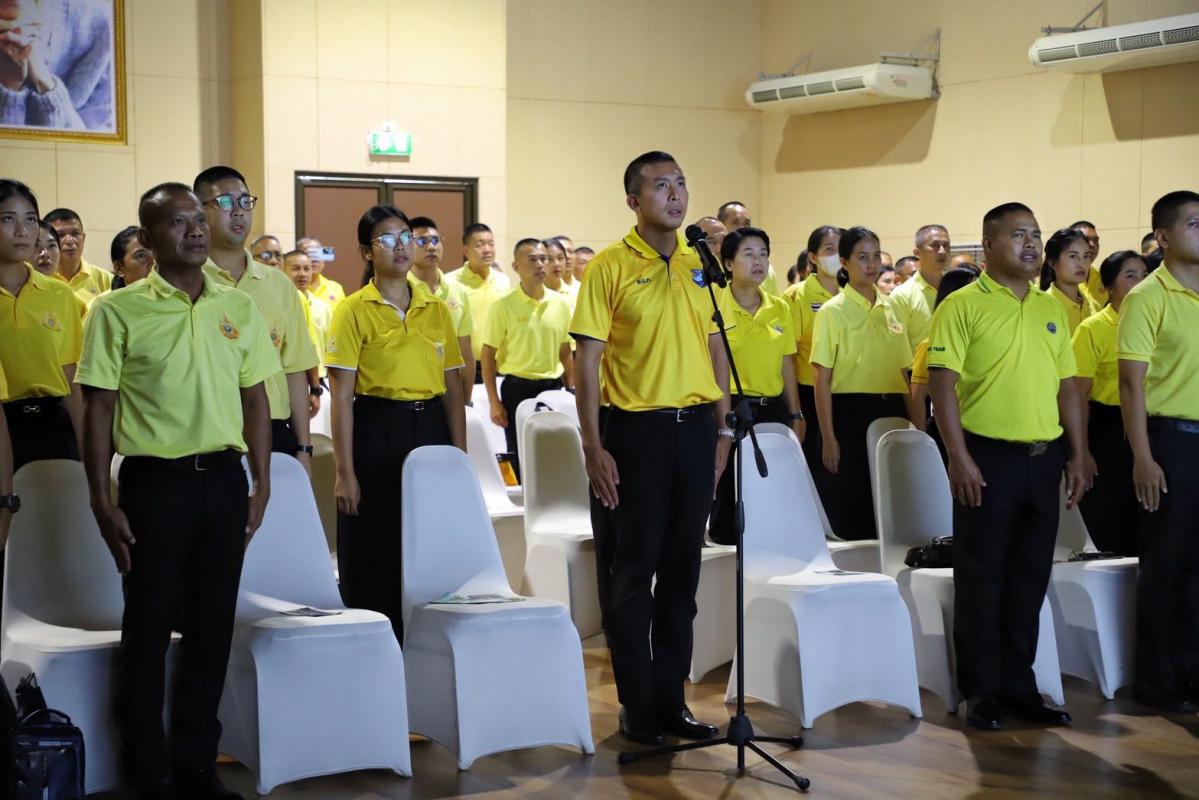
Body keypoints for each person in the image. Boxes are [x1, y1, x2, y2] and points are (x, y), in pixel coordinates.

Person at [78, 181, 276, 799]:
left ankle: (196, 767)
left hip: (223, 483)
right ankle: (147, 772)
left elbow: (256, 399)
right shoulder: (117, 310)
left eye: (198, 219)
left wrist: (262, 483)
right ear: (148, 236)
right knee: (149, 628)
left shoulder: (237, 306)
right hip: (154, 486)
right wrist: (100, 499)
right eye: (177, 222)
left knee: (212, 630)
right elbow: (98, 409)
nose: (194, 230)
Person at [572, 151, 729, 746]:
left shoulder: (699, 264)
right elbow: (587, 360)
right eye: (661, 186)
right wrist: (593, 445)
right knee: (633, 575)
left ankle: (671, 702)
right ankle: (637, 707)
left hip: (695, 430)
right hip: (635, 434)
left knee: (683, 576)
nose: (676, 194)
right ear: (634, 201)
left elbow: (715, 346)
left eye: (681, 183)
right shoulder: (610, 266)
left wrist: (721, 431)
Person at [928, 202, 1091, 731]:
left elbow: (1067, 386)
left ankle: (1021, 686)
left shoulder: (1050, 308)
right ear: (988, 244)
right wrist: (958, 456)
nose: (1031, 244)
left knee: (1029, 577)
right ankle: (982, 691)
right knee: (982, 576)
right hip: (987, 458)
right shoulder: (962, 305)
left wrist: (1078, 451)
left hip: (1044, 459)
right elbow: (942, 384)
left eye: (1036, 235)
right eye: (1019, 234)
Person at [327, 204, 466, 644]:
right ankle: (374, 639)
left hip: (430, 429)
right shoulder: (352, 310)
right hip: (377, 428)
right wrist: (344, 473)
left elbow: (453, 390)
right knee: (377, 542)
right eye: (387, 239)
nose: (401, 246)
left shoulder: (435, 308)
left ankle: (425, 644)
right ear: (367, 252)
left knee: (426, 541)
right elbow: (342, 397)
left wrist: (459, 459)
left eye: (407, 236)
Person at [1116, 190, 1199, 712]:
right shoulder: (1148, 297)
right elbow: (1131, 385)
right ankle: (1157, 681)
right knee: (1167, 563)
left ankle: (1192, 673)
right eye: (1195, 223)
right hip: (1171, 441)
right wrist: (1142, 457)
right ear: (1164, 237)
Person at [195, 166, 318, 469]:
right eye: (225, 202)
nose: (238, 211)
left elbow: (294, 369)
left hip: (273, 428)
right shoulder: (189, 280)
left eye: (244, 201)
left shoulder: (279, 285)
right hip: (208, 432)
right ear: (199, 212)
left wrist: (303, 447)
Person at [810, 226, 914, 540]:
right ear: (844, 263)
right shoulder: (832, 312)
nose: (871, 264)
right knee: (855, 503)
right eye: (862, 257)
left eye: (876, 257)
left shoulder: (893, 307)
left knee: (892, 499)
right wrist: (828, 437)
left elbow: (904, 372)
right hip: (849, 411)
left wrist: (917, 424)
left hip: (892, 409)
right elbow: (821, 378)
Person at [708, 226, 803, 545]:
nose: (758, 261)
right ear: (728, 263)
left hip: (772, 408)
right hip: (732, 406)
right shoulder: (715, 306)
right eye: (748, 254)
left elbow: (787, 362)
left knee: (771, 487)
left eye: (763, 254)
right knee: (731, 491)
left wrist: (796, 413)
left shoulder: (779, 307)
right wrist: (722, 421)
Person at [0, 180, 84, 469]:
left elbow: (71, 379)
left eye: (30, 220)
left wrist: (87, 456)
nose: (22, 231)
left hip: (53, 425)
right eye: (8, 219)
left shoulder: (59, 294)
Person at [1072, 250, 1147, 557]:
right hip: (1107, 429)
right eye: (1130, 276)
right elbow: (1078, 394)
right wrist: (1081, 451)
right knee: (1113, 516)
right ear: (1107, 287)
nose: (1140, 283)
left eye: (1144, 276)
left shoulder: (1155, 322)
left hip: (1150, 424)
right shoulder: (1093, 328)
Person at [482, 238, 573, 480]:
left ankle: (552, 498)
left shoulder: (560, 304)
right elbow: (488, 356)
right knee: (520, 453)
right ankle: (524, 498)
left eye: (544, 259)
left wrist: (571, 390)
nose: (540, 264)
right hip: (517, 389)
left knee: (554, 451)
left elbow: (565, 352)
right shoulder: (503, 306)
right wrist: (494, 401)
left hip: (553, 388)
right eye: (532, 260)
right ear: (516, 266)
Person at [782, 226, 842, 495]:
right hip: (809, 392)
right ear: (813, 257)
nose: (836, 255)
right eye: (829, 249)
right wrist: (796, 411)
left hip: (844, 391)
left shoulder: (852, 291)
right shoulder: (796, 295)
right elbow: (788, 353)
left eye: (841, 248)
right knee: (816, 470)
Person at [908, 266, 981, 453]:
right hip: (946, 431)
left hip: (978, 430)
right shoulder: (930, 344)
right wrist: (922, 443)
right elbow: (918, 397)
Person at [407, 216, 474, 404]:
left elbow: (465, 350)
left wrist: (466, 400)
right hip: (410, 391)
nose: (431, 247)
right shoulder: (401, 289)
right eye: (422, 241)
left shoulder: (458, 290)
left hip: (450, 390)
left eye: (435, 240)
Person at [446, 222, 510, 383]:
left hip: (500, 364)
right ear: (466, 250)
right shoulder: (450, 282)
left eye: (491, 244)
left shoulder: (503, 280)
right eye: (479, 245)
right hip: (467, 364)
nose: (487, 249)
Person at [890, 223, 951, 351]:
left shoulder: (956, 289)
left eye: (946, 245)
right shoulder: (902, 295)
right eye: (935, 245)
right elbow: (896, 344)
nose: (942, 251)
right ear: (917, 253)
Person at [44, 207, 113, 304]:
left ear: (83, 238)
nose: (69, 241)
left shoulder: (105, 279)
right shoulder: (37, 279)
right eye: (60, 235)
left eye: (75, 233)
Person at [282, 249, 332, 381]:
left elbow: (330, 346)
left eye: (307, 269)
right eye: (296, 268)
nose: (302, 274)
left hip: (321, 377)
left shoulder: (323, 307)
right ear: (282, 269)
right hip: (290, 376)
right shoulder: (279, 305)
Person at [1041, 227, 1102, 335]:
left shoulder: (1094, 306)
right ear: (1052, 262)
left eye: (1086, 256)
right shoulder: (1043, 307)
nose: (1081, 264)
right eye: (1073, 256)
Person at [717, 200, 779, 294]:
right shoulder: (710, 267)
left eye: (747, 223)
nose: (743, 228)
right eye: (735, 222)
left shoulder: (766, 270)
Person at [297, 236, 346, 307]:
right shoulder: (291, 289)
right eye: (309, 254)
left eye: (318, 253)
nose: (314, 259)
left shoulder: (336, 288)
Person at [1071, 220, 1106, 306]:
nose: (1092, 245)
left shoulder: (1103, 279)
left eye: (1095, 240)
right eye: (1086, 240)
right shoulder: (1059, 279)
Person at [110, 225, 155, 289]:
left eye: (157, 255)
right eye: (141, 255)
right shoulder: (107, 296)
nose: (154, 263)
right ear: (119, 268)